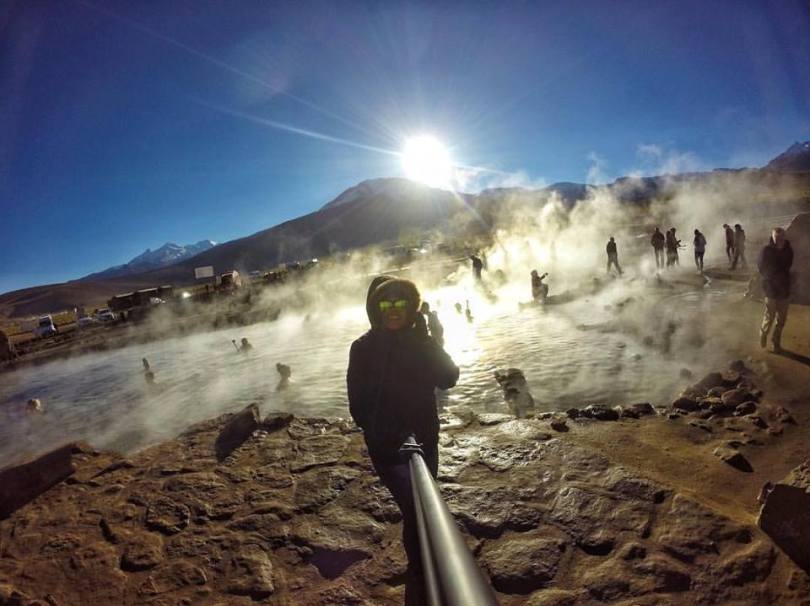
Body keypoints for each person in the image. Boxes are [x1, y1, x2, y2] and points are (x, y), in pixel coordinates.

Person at [347, 277, 459, 597]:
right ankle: (422, 572)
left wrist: (426, 341)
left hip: (426, 439)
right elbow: (359, 409)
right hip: (388, 449)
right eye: (385, 303)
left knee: (425, 503)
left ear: (412, 307)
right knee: (416, 509)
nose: (393, 309)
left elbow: (449, 378)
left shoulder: (420, 343)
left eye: (401, 302)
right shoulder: (363, 348)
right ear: (375, 308)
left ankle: (428, 570)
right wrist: (390, 432)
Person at [758, 227, 793, 353]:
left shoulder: (788, 250)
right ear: (772, 237)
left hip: (784, 289)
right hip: (771, 289)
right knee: (770, 316)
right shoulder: (766, 250)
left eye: (781, 237)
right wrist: (772, 280)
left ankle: (775, 342)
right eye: (776, 237)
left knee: (782, 319)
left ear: (784, 237)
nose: (779, 240)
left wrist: (783, 281)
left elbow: (788, 266)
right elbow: (761, 268)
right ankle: (763, 333)